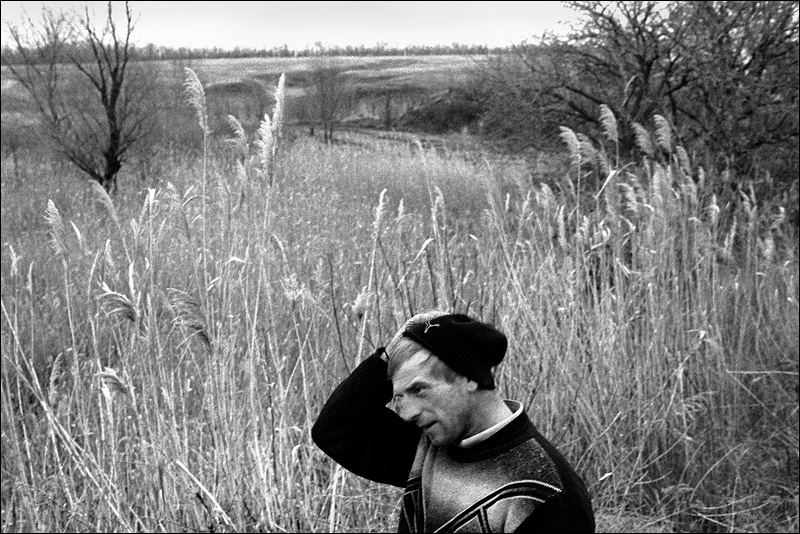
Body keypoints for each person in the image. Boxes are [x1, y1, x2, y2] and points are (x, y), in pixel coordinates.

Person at [312, 310, 595, 533]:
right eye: (400, 397)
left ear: (469, 377)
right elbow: (336, 429)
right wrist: (392, 352)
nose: (407, 413)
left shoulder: (545, 492)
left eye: (419, 389)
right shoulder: (430, 447)